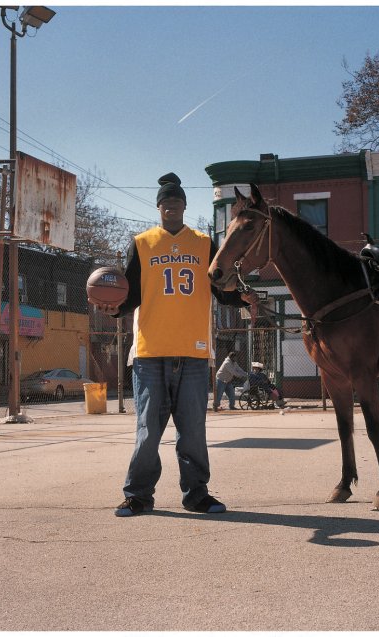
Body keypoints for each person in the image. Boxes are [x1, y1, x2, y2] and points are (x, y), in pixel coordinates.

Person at [90, 172, 258, 517]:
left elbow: (219, 289)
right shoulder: (142, 243)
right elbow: (130, 294)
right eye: (166, 201)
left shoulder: (203, 243)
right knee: (149, 430)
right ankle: (138, 495)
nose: (171, 205)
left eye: (177, 200)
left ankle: (197, 494)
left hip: (194, 352)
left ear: (184, 204)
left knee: (193, 431)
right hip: (150, 352)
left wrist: (242, 298)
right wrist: (113, 307)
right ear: (159, 206)